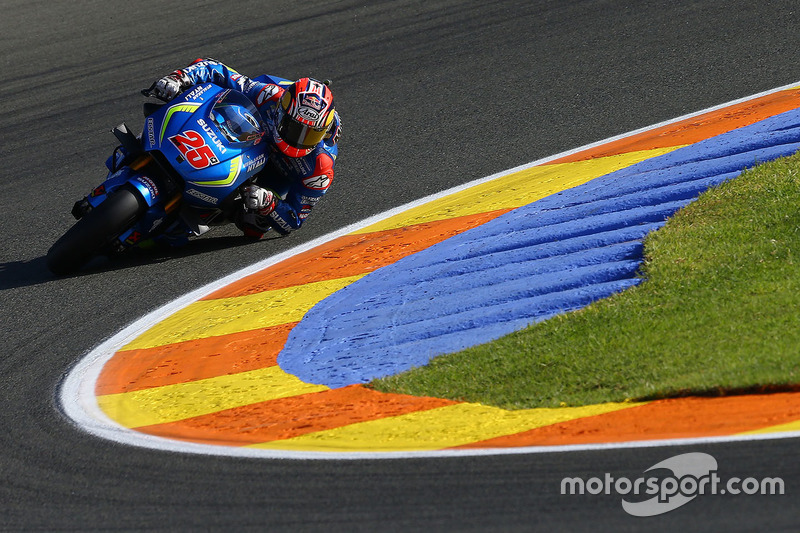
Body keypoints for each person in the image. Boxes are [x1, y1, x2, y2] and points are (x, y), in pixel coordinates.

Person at [151, 58, 342, 238]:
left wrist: (270, 204)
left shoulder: (320, 167)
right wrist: (179, 77)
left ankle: (190, 220)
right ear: (281, 112)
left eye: (311, 134)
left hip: (277, 172)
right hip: (250, 133)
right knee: (197, 98)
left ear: (323, 132)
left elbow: (293, 221)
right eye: (294, 128)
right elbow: (216, 70)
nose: (299, 139)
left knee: (254, 224)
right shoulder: (269, 96)